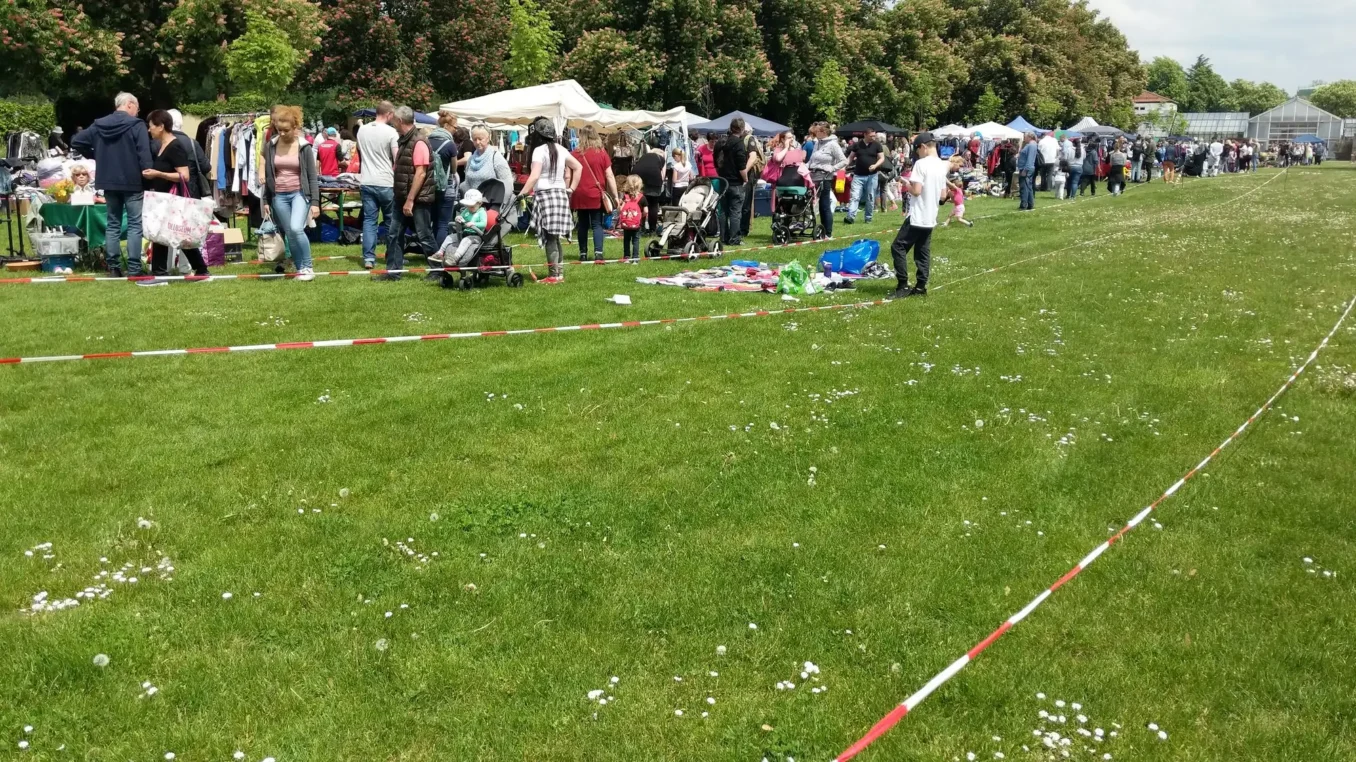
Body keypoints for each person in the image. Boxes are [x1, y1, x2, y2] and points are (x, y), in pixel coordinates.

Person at [71, 92, 153, 276]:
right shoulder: (137, 125)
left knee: (113, 224)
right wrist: (149, 174)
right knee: (134, 224)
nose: (137, 112)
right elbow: (144, 152)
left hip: (108, 181)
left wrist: (96, 154)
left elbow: (76, 141)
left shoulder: (98, 125)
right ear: (130, 104)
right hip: (132, 181)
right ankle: (134, 268)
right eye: (137, 108)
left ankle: (113, 267)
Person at [140, 110, 210, 278]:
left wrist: (158, 174)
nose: (149, 130)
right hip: (164, 199)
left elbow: (184, 175)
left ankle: (195, 269)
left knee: (177, 235)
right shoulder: (162, 145)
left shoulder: (175, 146)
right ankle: (162, 271)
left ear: (161, 126)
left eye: (151, 127)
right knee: (164, 234)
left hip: (173, 199)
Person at [374, 106, 436, 280]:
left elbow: (421, 173)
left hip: (418, 199)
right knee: (394, 234)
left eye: (394, 120)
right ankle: (393, 272)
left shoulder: (419, 141)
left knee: (424, 235)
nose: (392, 123)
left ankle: (438, 271)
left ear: (400, 121)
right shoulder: (404, 140)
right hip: (400, 197)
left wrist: (410, 200)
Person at [519, 117, 582, 283]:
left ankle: (554, 275)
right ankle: (558, 273)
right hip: (560, 195)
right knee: (555, 237)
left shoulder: (539, 151)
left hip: (546, 195)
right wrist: (571, 189)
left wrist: (522, 193)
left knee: (550, 238)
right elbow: (578, 167)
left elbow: (534, 176)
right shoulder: (561, 149)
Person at [262, 104, 320, 281]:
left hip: (299, 193)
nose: (281, 133)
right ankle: (300, 267)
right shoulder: (270, 146)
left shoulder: (305, 147)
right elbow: (269, 174)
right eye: (278, 129)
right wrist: (266, 200)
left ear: (295, 128)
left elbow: (312, 176)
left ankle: (308, 267)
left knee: (296, 228)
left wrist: (316, 203)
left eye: (286, 130)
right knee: (289, 232)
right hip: (279, 195)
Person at [890, 132, 947, 299]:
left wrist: (906, 184)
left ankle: (902, 285)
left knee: (898, 247)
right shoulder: (941, 165)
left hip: (918, 215)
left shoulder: (921, 164)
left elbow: (916, 191)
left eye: (917, 150)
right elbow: (943, 195)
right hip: (931, 216)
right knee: (922, 251)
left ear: (923, 147)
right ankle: (921, 286)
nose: (917, 154)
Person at [354, 101, 400, 270]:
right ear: (389, 114)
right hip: (386, 182)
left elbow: (360, 151)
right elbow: (397, 159)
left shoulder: (362, 130)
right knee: (390, 221)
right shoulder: (391, 132)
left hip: (366, 180)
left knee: (369, 221)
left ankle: (368, 258)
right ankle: (391, 255)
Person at [569, 126, 618, 262]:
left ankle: (583, 254)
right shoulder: (602, 153)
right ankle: (598, 253)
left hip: (579, 193)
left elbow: (568, 175)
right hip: (595, 193)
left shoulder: (575, 154)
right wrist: (615, 195)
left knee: (582, 224)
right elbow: (609, 175)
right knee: (597, 224)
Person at [806, 121, 847, 240]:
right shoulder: (817, 144)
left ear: (823, 132)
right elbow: (812, 160)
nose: (814, 134)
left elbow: (843, 161)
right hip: (813, 176)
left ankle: (828, 233)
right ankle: (817, 229)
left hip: (825, 177)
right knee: (809, 203)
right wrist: (803, 166)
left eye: (816, 131)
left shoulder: (833, 145)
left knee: (824, 205)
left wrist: (832, 168)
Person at [713, 118, 751, 246]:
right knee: (735, 211)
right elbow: (741, 166)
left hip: (723, 181)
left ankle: (724, 237)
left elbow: (716, 163)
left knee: (723, 211)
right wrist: (745, 179)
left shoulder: (721, 142)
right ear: (742, 128)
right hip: (735, 183)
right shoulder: (738, 143)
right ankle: (734, 239)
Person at [427, 111, 461, 251]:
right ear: (446, 125)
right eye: (455, 127)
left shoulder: (426, 141)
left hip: (428, 187)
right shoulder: (450, 144)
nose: (455, 130)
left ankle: (430, 250)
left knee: (431, 221)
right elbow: (453, 169)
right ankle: (438, 253)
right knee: (442, 223)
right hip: (445, 187)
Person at [438, 188, 488, 267]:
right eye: (468, 206)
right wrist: (458, 218)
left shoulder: (481, 212)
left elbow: (483, 224)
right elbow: (460, 216)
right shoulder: (467, 211)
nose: (469, 208)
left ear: (479, 203)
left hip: (476, 235)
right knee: (450, 237)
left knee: (465, 241)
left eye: (472, 207)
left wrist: (473, 224)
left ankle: (455, 258)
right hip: (464, 233)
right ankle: (440, 253)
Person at [844, 128, 884, 224]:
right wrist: (844, 167)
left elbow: (882, 158)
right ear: (865, 135)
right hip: (858, 176)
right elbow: (850, 157)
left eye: (874, 136)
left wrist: (875, 165)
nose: (873, 137)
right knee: (855, 196)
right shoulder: (857, 145)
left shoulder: (877, 145)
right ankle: (850, 217)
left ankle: (868, 218)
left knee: (870, 197)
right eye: (871, 136)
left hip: (872, 176)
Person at [633, 134, 667, 234]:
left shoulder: (645, 155)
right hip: (654, 177)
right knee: (653, 205)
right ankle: (652, 228)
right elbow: (662, 174)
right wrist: (660, 184)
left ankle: (640, 226)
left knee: (641, 202)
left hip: (638, 176)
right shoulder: (662, 156)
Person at [617, 175, 647, 261]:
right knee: (635, 240)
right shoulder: (642, 197)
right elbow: (646, 211)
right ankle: (635, 257)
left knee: (626, 240)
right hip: (636, 224)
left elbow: (621, 209)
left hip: (626, 223)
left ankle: (626, 256)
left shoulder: (626, 197)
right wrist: (642, 216)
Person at [941, 157, 973, 227]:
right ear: (955, 163)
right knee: (950, 215)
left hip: (959, 207)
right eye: (959, 166)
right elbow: (954, 200)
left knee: (958, 219)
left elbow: (949, 184)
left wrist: (948, 185)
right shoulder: (946, 167)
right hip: (957, 206)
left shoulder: (957, 190)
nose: (959, 169)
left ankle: (969, 224)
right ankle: (945, 223)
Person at [1017, 132, 1038, 210]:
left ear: (1029, 137)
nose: (1024, 138)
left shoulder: (1031, 145)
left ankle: (1024, 204)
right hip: (1026, 168)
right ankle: (1030, 204)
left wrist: (1025, 170)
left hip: (1026, 168)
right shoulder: (1030, 145)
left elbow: (1030, 159)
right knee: (1028, 187)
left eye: (1025, 137)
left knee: (1024, 187)